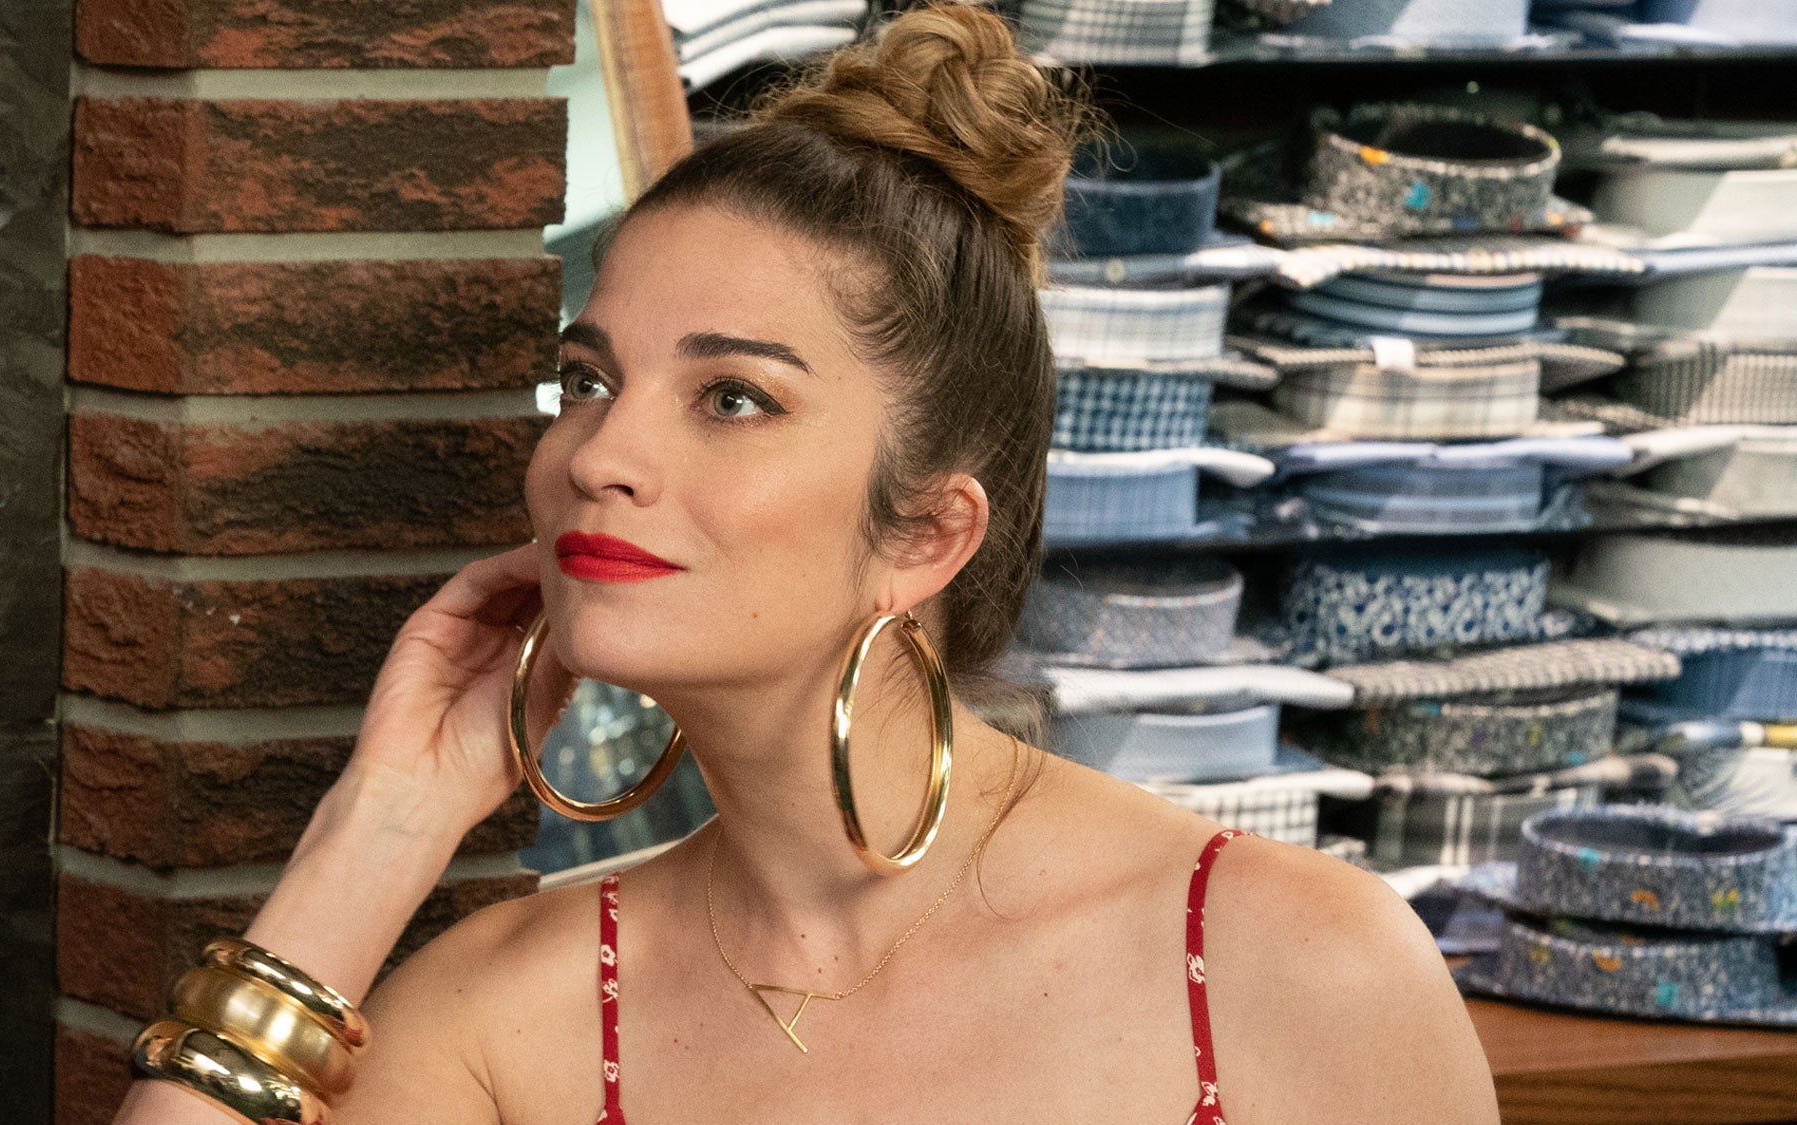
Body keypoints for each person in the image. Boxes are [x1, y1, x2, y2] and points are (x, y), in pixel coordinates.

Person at [109, 4, 1501, 1122]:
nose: (600, 454)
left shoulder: (1286, 964)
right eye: (588, 380)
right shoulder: (501, 1023)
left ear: (926, 533)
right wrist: (382, 828)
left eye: (732, 398)